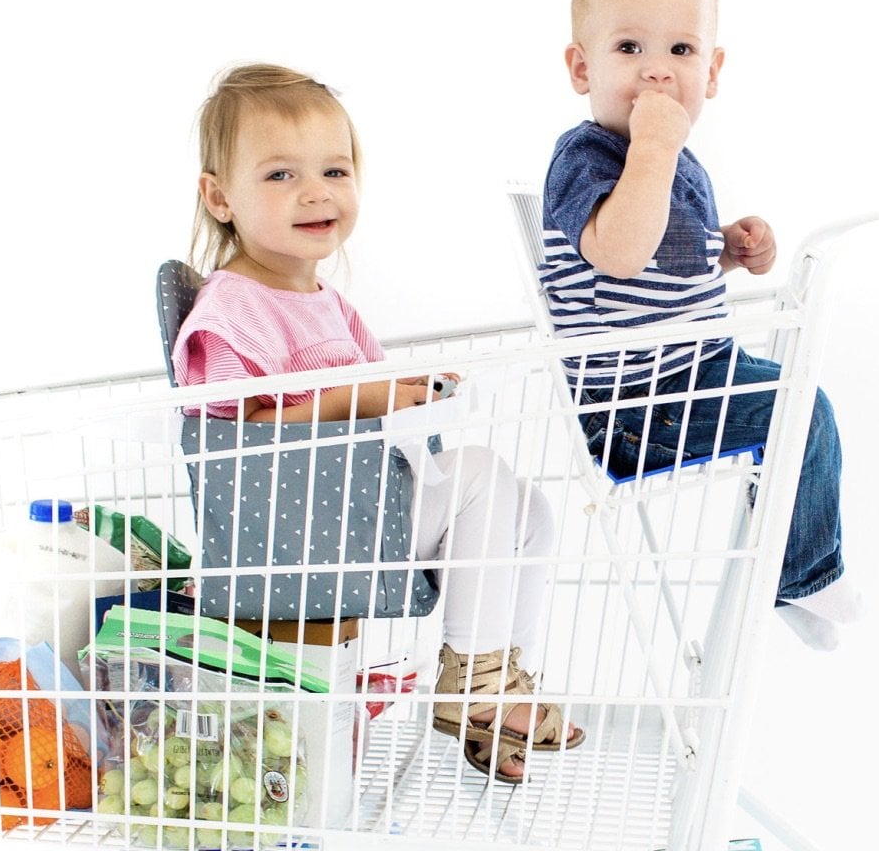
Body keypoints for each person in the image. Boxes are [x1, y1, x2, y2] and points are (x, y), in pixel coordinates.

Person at [172, 63, 583, 783]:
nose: (316, 192)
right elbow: (236, 426)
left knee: (534, 509)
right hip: (293, 530)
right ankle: (473, 689)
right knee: (482, 476)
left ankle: (497, 677)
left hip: (355, 510)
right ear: (219, 196)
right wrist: (364, 399)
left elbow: (374, 396)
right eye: (279, 175)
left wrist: (415, 394)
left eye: (335, 169)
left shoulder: (331, 304)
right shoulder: (230, 307)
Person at [540, 0, 864, 652]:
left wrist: (726, 250)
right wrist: (653, 151)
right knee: (799, 406)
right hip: (636, 411)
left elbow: (664, 257)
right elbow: (620, 254)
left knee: (800, 401)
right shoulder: (585, 157)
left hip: (690, 377)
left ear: (711, 73)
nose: (658, 69)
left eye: (682, 50)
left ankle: (793, 564)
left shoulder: (676, 160)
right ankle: (804, 573)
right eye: (630, 47)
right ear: (582, 67)